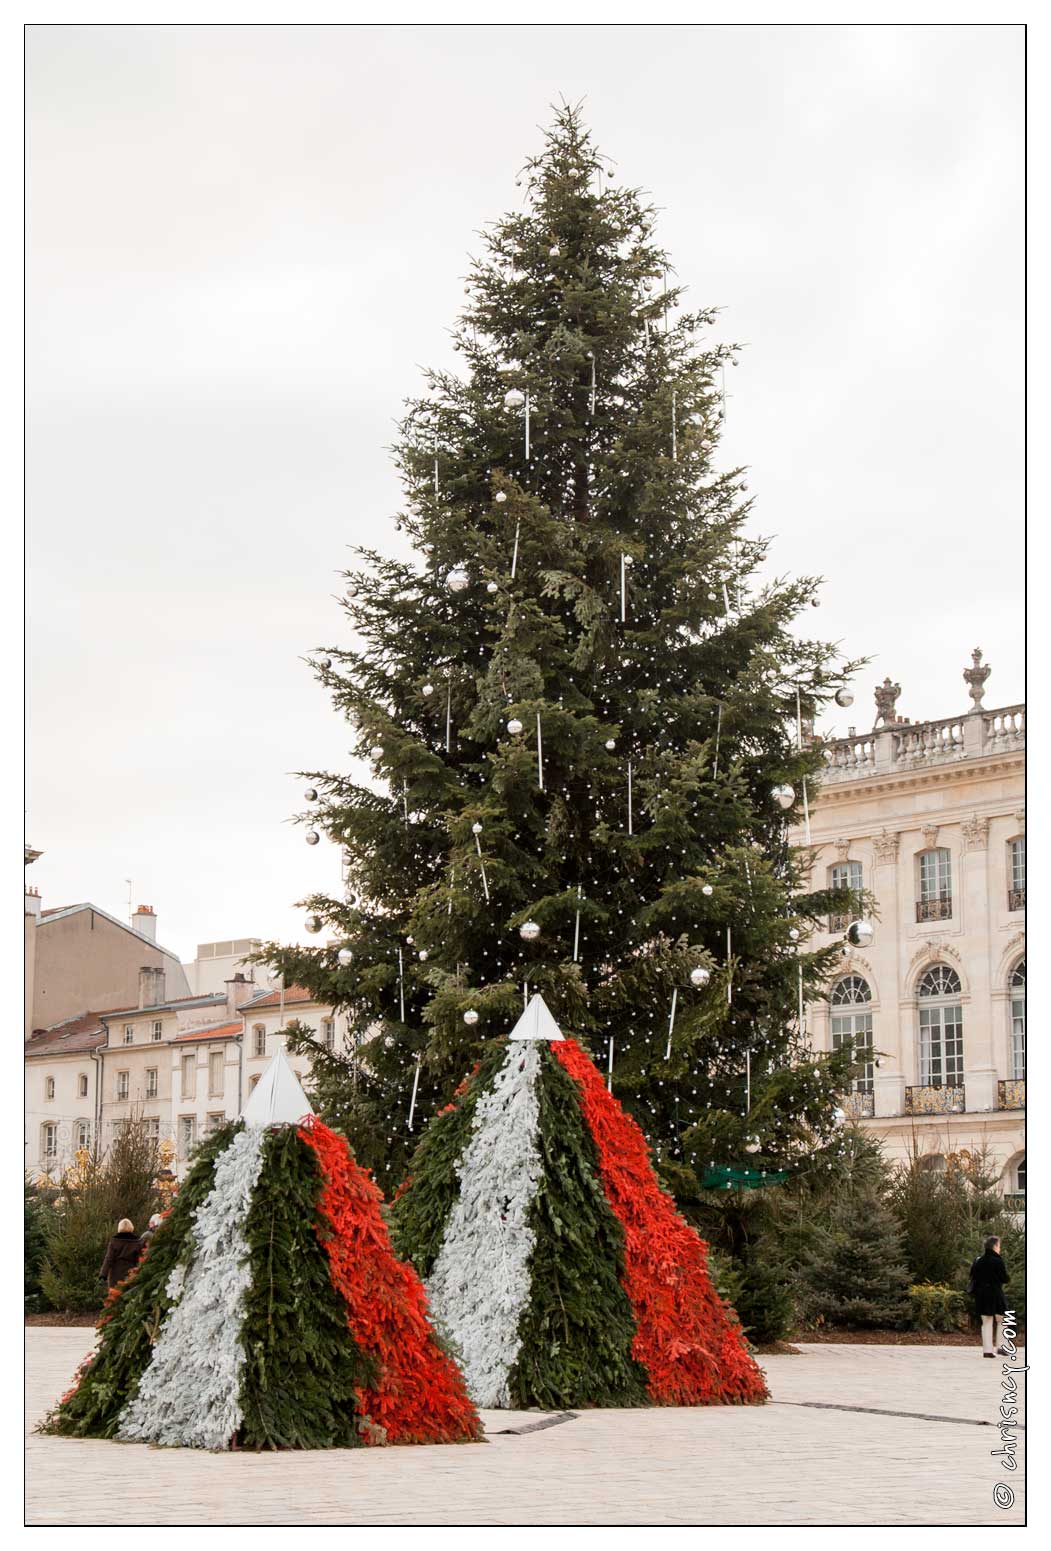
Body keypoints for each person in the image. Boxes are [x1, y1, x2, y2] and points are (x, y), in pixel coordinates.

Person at [969, 1234, 1009, 1357]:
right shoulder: (997, 1260)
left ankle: (987, 1351)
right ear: (995, 1246)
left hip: (982, 1296)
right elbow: (1005, 1278)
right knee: (1002, 1319)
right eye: (999, 1246)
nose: (1000, 1248)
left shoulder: (978, 1260)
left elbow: (972, 1276)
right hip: (995, 1295)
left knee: (986, 1322)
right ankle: (1001, 1347)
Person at [99, 1218, 143, 1289]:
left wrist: (103, 1275)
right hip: (131, 1274)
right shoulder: (137, 1242)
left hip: (115, 1275)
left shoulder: (114, 1242)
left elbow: (109, 1259)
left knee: (114, 1297)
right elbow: (140, 1259)